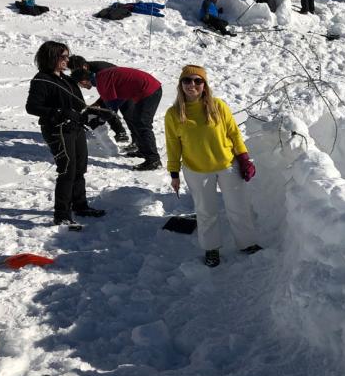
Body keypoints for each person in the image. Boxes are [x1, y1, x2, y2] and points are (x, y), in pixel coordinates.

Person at [164, 65, 261, 267]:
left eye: (198, 81)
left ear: (205, 85)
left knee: (238, 207)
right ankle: (211, 249)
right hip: (196, 170)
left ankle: (247, 244)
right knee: (206, 211)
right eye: (187, 81)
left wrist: (243, 158)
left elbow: (234, 133)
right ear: (180, 85)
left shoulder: (218, 106)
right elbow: (173, 144)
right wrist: (174, 172)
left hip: (227, 165)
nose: (192, 85)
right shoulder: (173, 114)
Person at [25, 41, 106, 227]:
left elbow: (77, 104)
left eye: (67, 56)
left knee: (80, 168)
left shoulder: (66, 79)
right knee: (67, 170)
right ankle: (61, 214)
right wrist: (60, 112)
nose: (66, 60)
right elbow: (32, 107)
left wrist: (87, 117)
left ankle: (80, 206)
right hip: (57, 130)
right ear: (51, 57)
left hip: (75, 128)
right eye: (63, 57)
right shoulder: (41, 80)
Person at [72, 66, 163, 170]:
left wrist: (99, 120)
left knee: (142, 124)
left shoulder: (102, 83)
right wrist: (98, 107)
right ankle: (143, 151)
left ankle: (153, 160)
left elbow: (111, 110)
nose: (82, 87)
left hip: (149, 90)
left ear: (83, 81)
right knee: (135, 121)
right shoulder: (101, 77)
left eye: (79, 85)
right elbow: (112, 99)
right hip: (145, 88)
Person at [66, 55, 131, 144]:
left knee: (127, 115)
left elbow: (109, 98)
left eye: (78, 70)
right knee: (99, 108)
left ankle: (126, 136)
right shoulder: (90, 73)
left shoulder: (100, 71)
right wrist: (98, 102)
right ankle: (120, 132)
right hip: (114, 89)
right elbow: (105, 93)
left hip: (126, 88)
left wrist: (100, 119)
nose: (78, 73)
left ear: (84, 66)